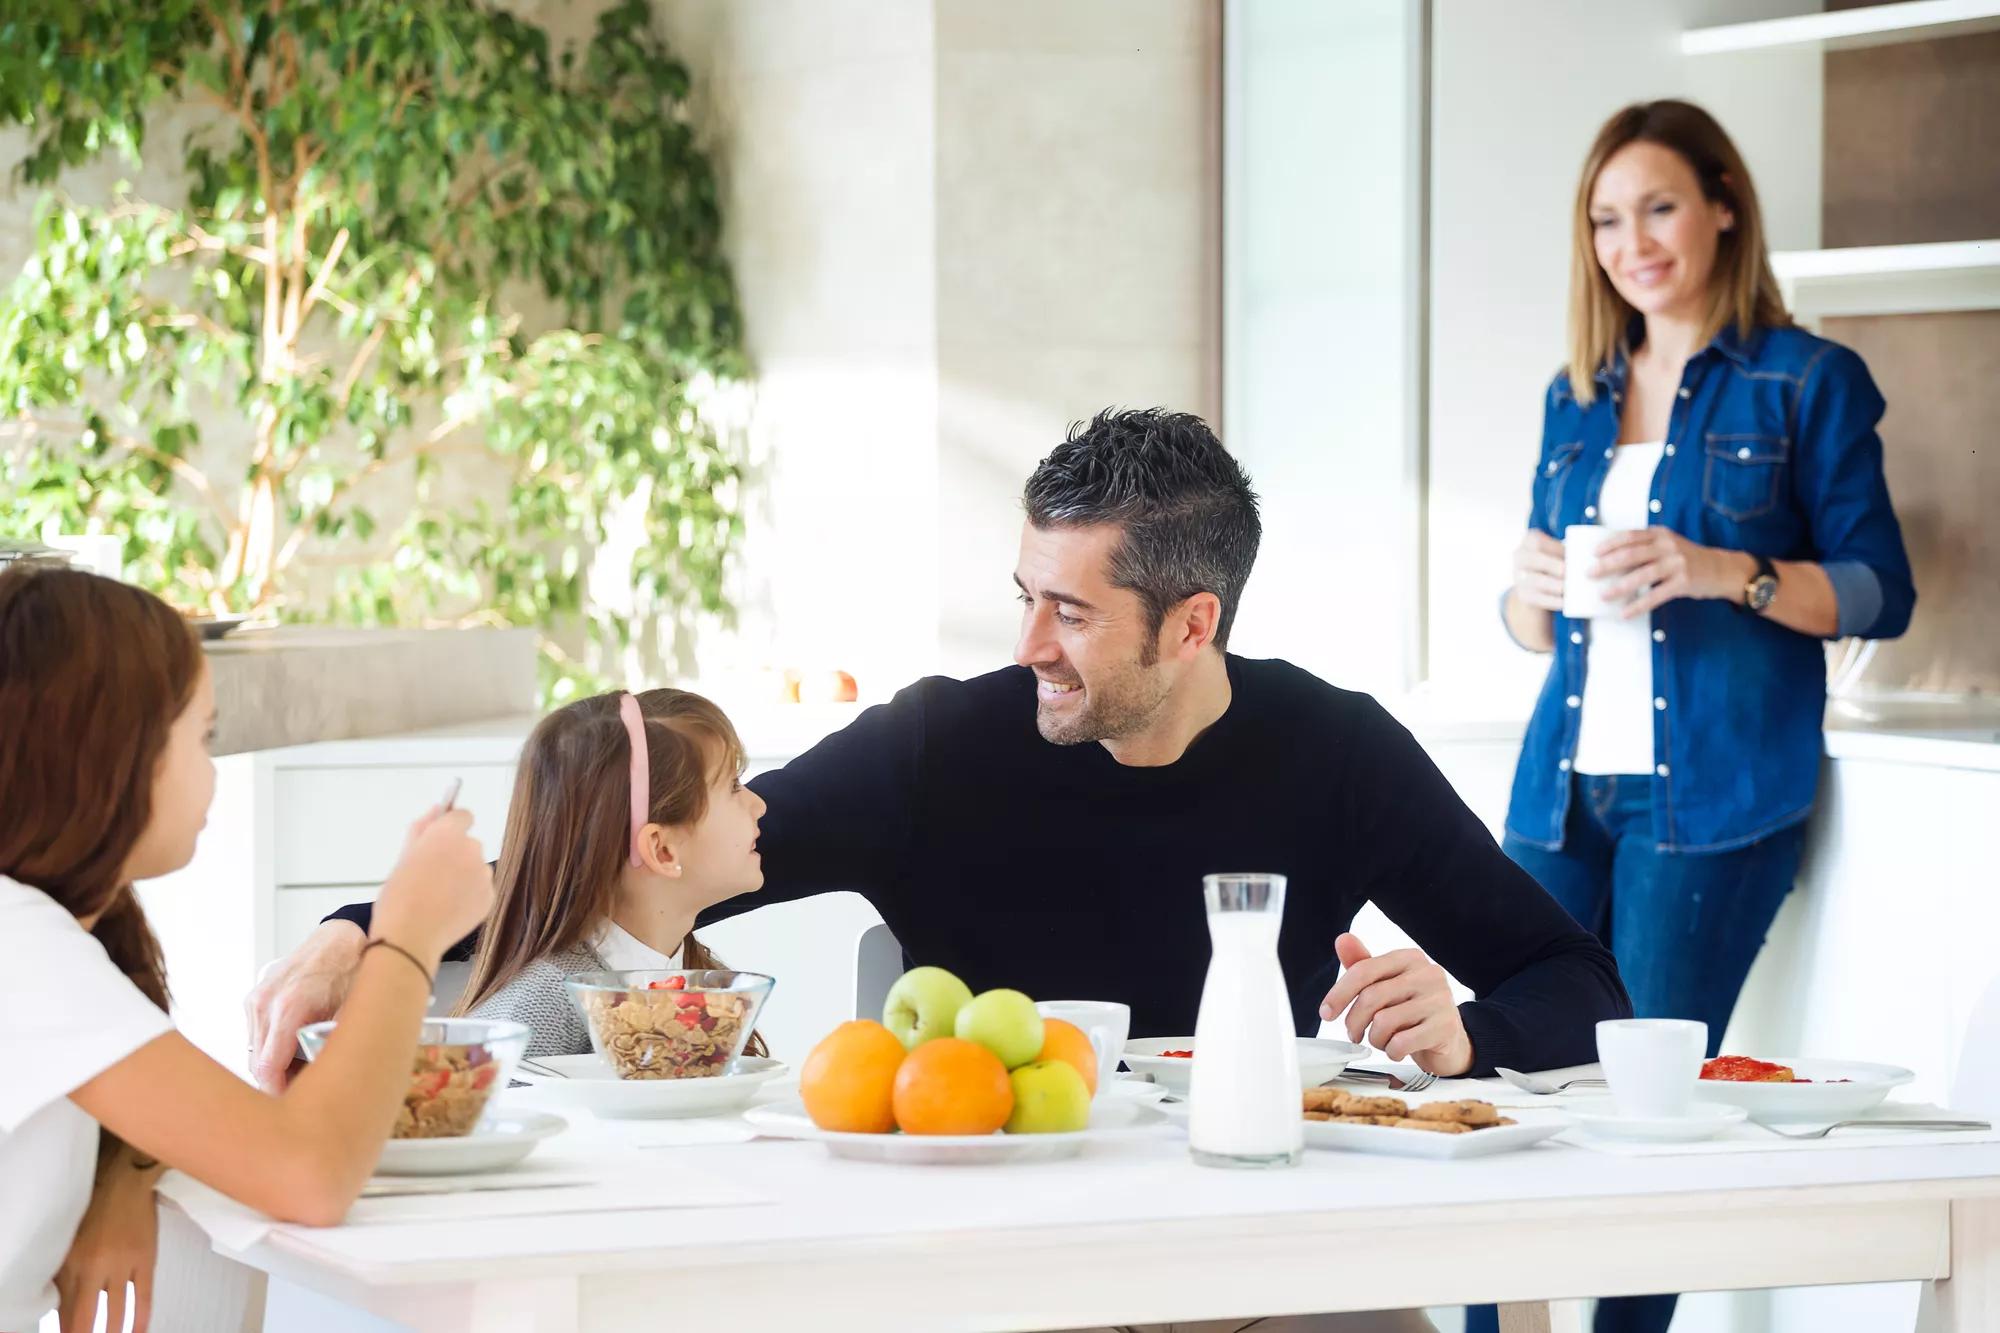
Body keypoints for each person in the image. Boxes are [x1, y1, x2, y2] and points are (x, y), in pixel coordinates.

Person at [260, 408, 1630, 1096]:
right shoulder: (943, 744)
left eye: (1073, 610)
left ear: (1191, 622)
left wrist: (1469, 1037)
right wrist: (361, 929)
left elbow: (1580, 981)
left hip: (1259, 1228)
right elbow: (637, 859)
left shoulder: (1337, 753)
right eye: (1024, 590)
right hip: (993, 1245)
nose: (1026, 636)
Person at [1490, 100, 1914, 1333]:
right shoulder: (1574, 393)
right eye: (1606, 218)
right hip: (1557, 792)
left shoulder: (1808, 382)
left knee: (1647, 1108)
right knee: (1500, 1084)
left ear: (1723, 202)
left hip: (1712, 801)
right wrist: (1519, 596)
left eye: (1658, 205)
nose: (1633, 241)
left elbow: (1879, 589)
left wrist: (1722, 568)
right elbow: (1538, 629)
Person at [0, 564, 494, 1333]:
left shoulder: (40, 936)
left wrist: (123, 1171)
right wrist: (408, 935)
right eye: (204, 736)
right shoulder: (19, 942)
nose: (213, 770)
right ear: (109, 754)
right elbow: (310, 1172)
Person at [454, 687, 769, 1060]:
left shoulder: (696, 977)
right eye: (733, 786)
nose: (759, 804)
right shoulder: (540, 1009)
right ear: (662, 850)